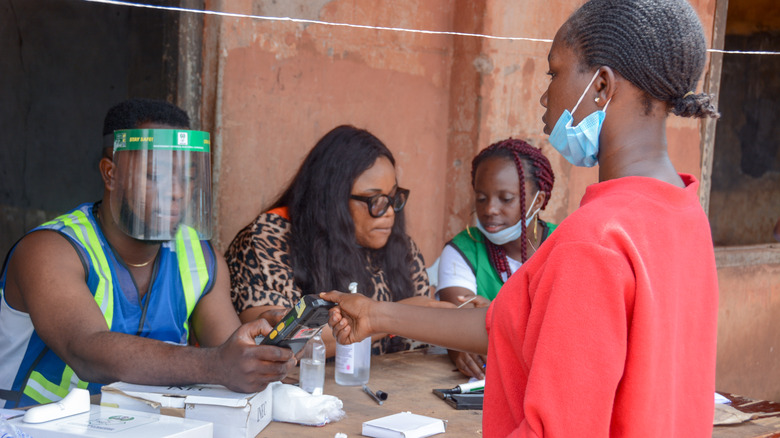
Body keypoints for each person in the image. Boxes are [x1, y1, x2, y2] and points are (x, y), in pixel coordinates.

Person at [323, 0, 720, 436]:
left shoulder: (595, 239)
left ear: (602, 87)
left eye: (554, 72)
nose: (545, 96)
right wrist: (376, 316)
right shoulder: (684, 213)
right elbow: (508, 325)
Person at [0, 99, 295, 409]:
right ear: (110, 174)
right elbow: (85, 351)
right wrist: (215, 365)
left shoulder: (199, 257)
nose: (177, 192)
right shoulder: (50, 250)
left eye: (188, 178)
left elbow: (230, 353)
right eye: (156, 176)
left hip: (137, 426)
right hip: (27, 424)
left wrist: (266, 349)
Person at [225, 124, 439, 358]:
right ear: (331, 199)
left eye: (392, 198)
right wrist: (401, 315)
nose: (389, 212)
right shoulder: (269, 237)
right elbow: (274, 341)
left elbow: (426, 338)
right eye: (374, 200)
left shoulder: (401, 248)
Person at [437, 138, 556, 378]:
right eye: (481, 198)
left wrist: (494, 314)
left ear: (538, 201)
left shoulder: (564, 245)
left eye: (506, 198)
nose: (490, 209)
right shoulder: (463, 250)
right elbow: (458, 323)